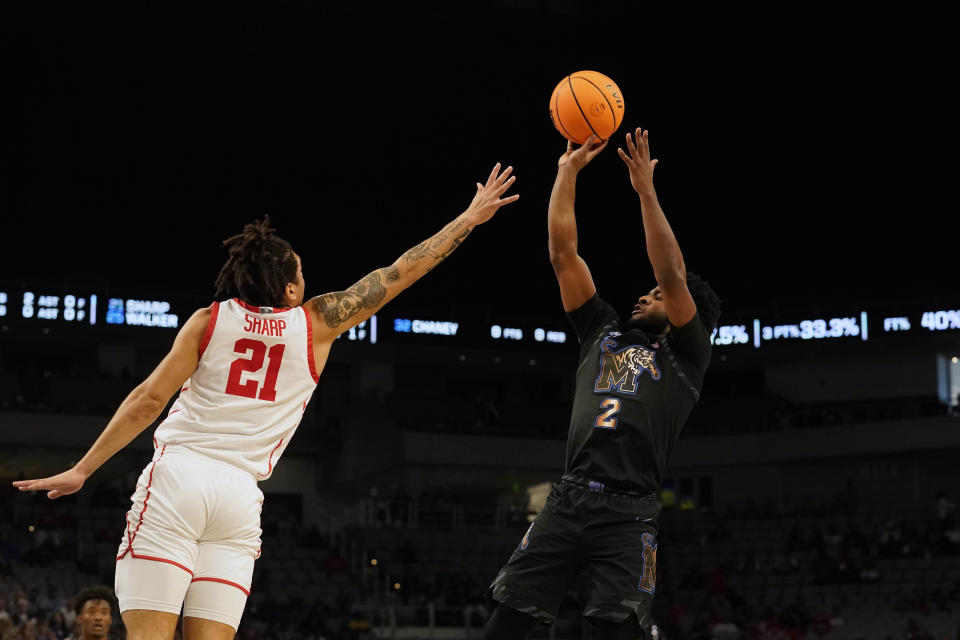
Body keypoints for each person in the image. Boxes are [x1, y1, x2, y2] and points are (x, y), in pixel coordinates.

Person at [14, 163, 519, 640]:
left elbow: (148, 402)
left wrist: (83, 469)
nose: (309, 279)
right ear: (289, 287)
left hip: (179, 480)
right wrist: (469, 219)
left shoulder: (208, 321)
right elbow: (399, 272)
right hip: (240, 497)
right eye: (302, 271)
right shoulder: (319, 323)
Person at [482, 129, 721, 640]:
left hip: (629, 514)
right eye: (648, 290)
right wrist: (565, 174)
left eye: (655, 295)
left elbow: (673, 272)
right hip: (567, 500)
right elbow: (563, 254)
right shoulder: (602, 330)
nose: (645, 294)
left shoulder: (687, 354)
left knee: (612, 633)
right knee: (506, 625)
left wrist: (645, 192)